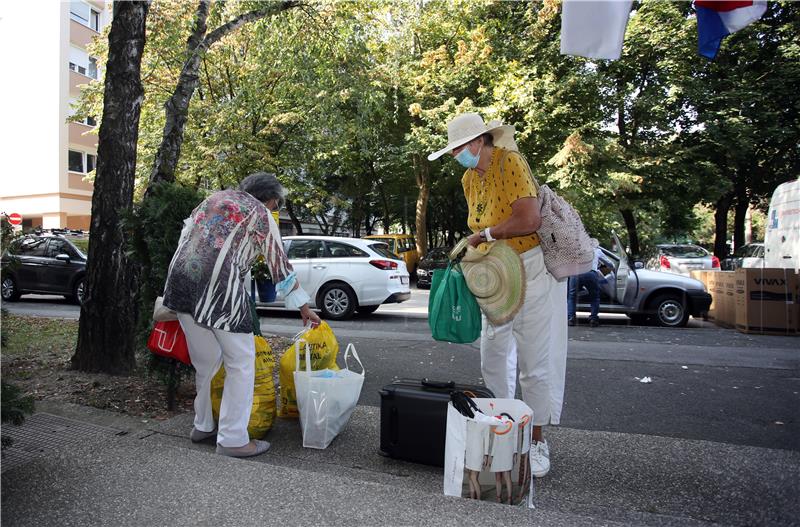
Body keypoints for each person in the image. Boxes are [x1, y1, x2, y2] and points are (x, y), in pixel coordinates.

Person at [428, 112, 568, 478]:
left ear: (479, 141)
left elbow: (528, 220)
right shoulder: (467, 178)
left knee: (534, 361)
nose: (457, 154)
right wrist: (478, 245)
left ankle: (536, 439)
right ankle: (502, 428)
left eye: (459, 147)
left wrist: (485, 235)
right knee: (493, 354)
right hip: (493, 273)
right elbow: (477, 223)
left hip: (530, 266)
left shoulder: (511, 162)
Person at [162, 172, 321, 458]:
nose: (274, 209)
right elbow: (279, 265)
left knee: (207, 362)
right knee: (241, 362)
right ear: (271, 199)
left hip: (181, 281)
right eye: (276, 204)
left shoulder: (214, 198)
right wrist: (303, 307)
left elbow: (185, 236)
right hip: (218, 288)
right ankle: (233, 440)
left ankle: (203, 425)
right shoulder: (260, 213)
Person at [567, 246, 612, 327]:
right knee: (594, 297)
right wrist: (613, 268)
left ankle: (571, 318)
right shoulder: (597, 250)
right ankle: (593, 319)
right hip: (590, 273)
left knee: (572, 296)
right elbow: (609, 263)